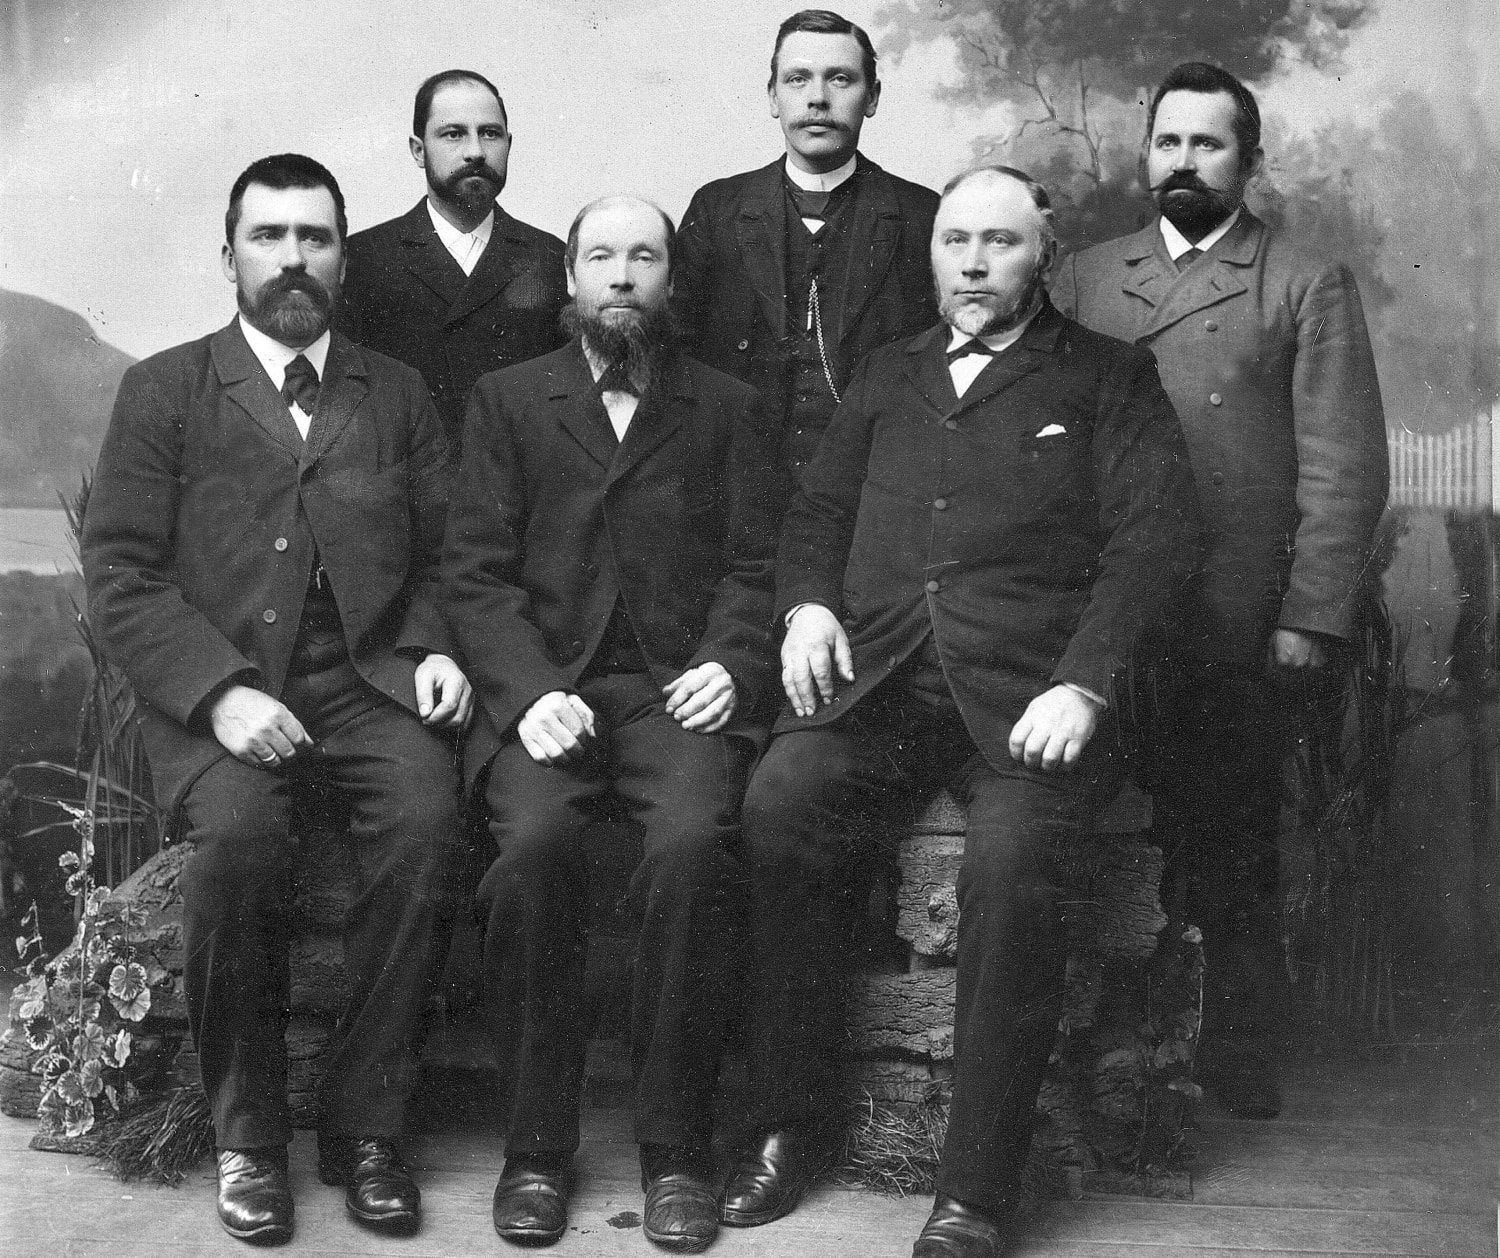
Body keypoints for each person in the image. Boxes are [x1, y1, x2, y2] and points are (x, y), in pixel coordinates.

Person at [720, 166, 1200, 1258]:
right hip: (885, 682)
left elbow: (1156, 541)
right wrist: (805, 609)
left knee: (1013, 862)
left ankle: (975, 1188)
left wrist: (1085, 682)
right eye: (955, 242)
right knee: (781, 804)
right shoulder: (889, 372)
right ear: (931, 254)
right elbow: (817, 511)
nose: (974, 263)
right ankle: (788, 1126)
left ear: (1045, 256)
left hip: (1031, 698)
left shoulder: (1109, 375)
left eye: (1000, 242)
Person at [81, 154, 472, 1246]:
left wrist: (436, 648)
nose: (293, 259)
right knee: (241, 844)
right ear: (229, 258)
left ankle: (368, 1129)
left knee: (428, 821)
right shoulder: (165, 389)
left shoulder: (395, 391)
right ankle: (248, 1138)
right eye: (269, 236)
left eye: (315, 237)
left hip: (369, 686)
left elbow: (451, 553)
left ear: (343, 259)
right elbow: (119, 570)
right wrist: (217, 695)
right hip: (224, 695)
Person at [443, 195, 780, 1252]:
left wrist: (731, 662)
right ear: (570, 280)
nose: (623, 275)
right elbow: (473, 571)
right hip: (547, 695)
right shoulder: (507, 401)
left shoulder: (725, 405)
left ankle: (675, 1150)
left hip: (673, 693)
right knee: (533, 851)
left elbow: (756, 565)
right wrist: (527, 692)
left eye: (644, 256)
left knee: (691, 849)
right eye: (601, 256)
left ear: (672, 280)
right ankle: (536, 1150)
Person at [1052, 61, 1389, 1119]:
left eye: (1208, 144)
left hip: (1238, 614)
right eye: (1169, 142)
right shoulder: (1085, 277)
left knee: (1232, 835)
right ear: (1146, 154)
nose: (1184, 162)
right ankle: (1102, 1048)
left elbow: (1344, 468)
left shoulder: (1302, 281)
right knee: (1102, 827)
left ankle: (1237, 1049)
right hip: (1107, 611)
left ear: (1249, 160)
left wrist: (1309, 616)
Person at [673, 9, 939, 491]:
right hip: (737, 486)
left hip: (875, 487)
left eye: (840, 79)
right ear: (773, 97)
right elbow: (678, 357)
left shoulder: (922, 216)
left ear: (872, 97)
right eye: (798, 79)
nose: (818, 98)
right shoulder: (716, 209)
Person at [339, 69, 567, 451]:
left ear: (509, 144)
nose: (476, 151)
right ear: (418, 150)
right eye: (454, 134)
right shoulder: (362, 261)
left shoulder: (552, 259)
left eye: (490, 133)